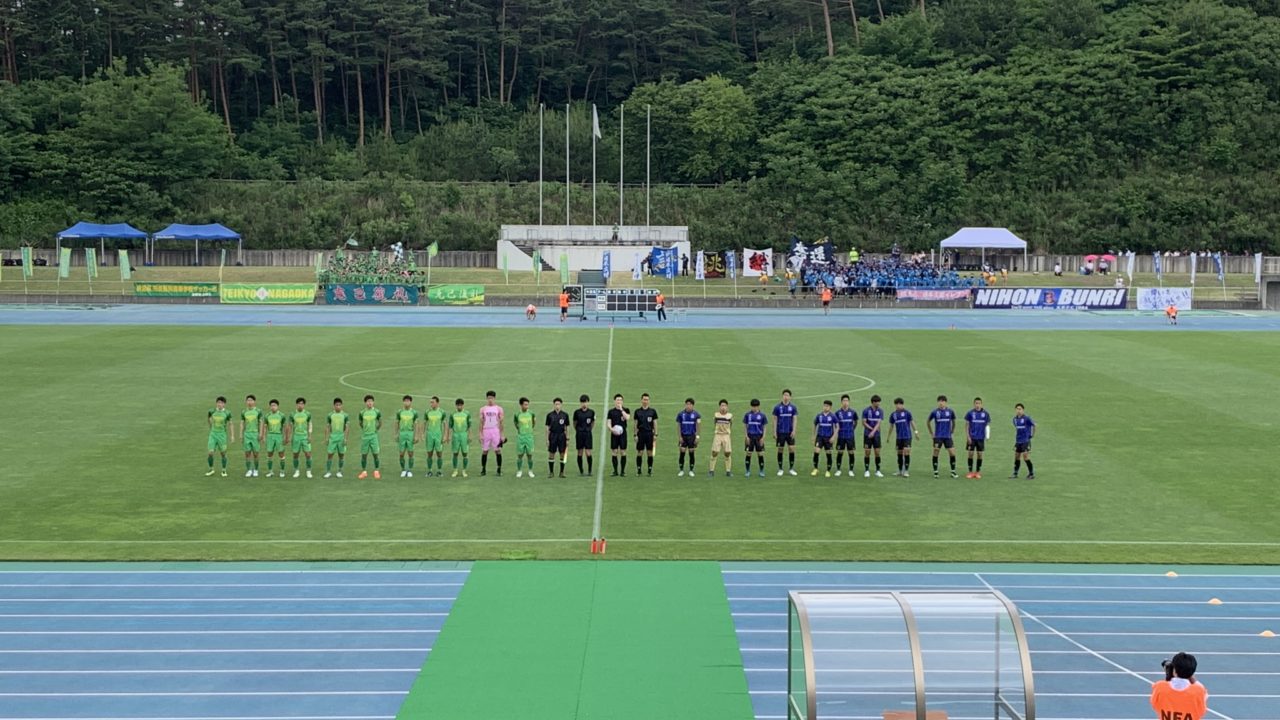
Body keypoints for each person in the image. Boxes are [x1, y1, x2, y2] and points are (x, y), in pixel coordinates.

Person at [1151, 652, 1207, 720]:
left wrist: (1169, 676)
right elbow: (1201, 710)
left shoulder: (1159, 687)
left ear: (1174, 671)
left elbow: (1155, 704)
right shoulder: (1199, 692)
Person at [928, 395, 958, 479]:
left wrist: (952, 432)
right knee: (936, 452)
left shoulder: (950, 411)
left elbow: (954, 422)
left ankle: (953, 471)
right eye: (939, 401)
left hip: (947, 436)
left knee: (952, 452)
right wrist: (931, 433)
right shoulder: (935, 412)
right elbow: (928, 421)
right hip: (938, 436)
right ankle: (936, 472)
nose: (941, 403)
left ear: (945, 402)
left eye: (942, 401)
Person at [889, 398, 918, 477]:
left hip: (907, 436)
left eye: (899, 404)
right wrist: (889, 436)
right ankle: (900, 470)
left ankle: (906, 471)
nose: (897, 406)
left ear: (902, 404)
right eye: (896, 404)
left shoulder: (907, 413)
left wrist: (916, 432)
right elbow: (891, 426)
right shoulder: (893, 415)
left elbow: (912, 422)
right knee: (899, 453)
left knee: (906, 452)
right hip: (899, 438)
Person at [772, 389, 798, 476]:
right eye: (784, 395)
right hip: (780, 432)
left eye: (787, 395)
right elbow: (775, 420)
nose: (786, 397)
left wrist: (794, 430)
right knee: (780, 449)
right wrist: (774, 431)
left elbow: (794, 419)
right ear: (782, 396)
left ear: (790, 397)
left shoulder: (793, 407)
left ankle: (791, 468)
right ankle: (780, 469)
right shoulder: (777, 407)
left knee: (791, 449)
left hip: (790, 432)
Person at [206, 396, 233, 477]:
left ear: (224, 404)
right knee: (210, 452)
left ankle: (224, 470)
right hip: (213, 434)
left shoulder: (227, 413)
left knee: (223, 453)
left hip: (222, 435)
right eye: (218, 402)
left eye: (221, 403)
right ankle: (211, 469)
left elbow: (231, 424)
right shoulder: (212, 411)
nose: (219, 404)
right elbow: (209, 418)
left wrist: (232, 436)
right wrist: (211, 427)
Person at [479, 390, 504, 476]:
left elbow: (501, 423)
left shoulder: (499, 409)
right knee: (485, 451)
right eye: (489, 398)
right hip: (486, 431)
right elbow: (481, 422)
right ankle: (483, 469)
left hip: (495, 431)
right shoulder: (483, 409)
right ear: (486, 398)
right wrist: (480, 434)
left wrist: (502, 435)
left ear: (494, 398)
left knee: (498, 451)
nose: (490, 400)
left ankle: (499, 469)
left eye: (492, 398)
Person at [357, 395, 383, 479]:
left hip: (373, 436)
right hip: (365, 436)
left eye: (371, 401)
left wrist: (376, 429)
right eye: (368, 401)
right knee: (364, 454)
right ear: (365, 403)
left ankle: (376, 471)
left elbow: (380, 421)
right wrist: (365, 429)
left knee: (375, 454)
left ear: (373, 402)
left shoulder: (377, 411)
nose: (370, 403)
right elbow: (360, 422)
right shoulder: (362, 412)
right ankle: (364, 471)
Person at [964, 397, 990, 479]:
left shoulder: (985, 414)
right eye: (976, 403)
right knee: (970, 454)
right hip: (972, 438)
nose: (977, 405)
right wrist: (968, 436)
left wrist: (987, 435)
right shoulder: (970, 413)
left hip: (980, 438)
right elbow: (967, 425)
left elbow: (987, 425)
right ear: (974, 404)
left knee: (979, 454)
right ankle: (970, 472)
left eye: (979, 403)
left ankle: (978, 472)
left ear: (981, 404)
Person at [633, 393, 658, 477]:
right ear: (641, 400)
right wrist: (635, 435)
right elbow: (635, 424)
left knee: (649, 452)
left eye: (647, 399)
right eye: (644, 399)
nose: (645, 401)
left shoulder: (652, 411)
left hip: (649, 434)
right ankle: (639, 470)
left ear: (649, 401)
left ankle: (649, 470)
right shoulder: (637, 411)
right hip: (640, 434)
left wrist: (655, 434)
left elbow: (655, 423)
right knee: (640, 452)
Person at [396, 395, 421, 478]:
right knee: (401, 453)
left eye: (408, 401)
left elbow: (416, 424)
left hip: (410, 433)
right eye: (405, 401)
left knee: (410, 453)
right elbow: (397, 423)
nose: (407, 402)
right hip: (402, 433)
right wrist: (396, 434)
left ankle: (409, 470)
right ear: (403, 402)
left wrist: (416, 435)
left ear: (410, 402)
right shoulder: (399, 412)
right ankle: (403, 470)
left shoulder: (414, 412)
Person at [289, 397, 314, 478]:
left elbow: (310, 425)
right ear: (296, 405)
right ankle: (296, 470)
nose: (300, 405)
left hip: (305, 436)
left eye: (302, 404)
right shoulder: (292, 414)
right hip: (296, 436)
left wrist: (310, 436)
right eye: (299, 403)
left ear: (304, 405)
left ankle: (309, 471)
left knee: (308, 454)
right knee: (295, 454)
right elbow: (290, 426)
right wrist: (290, 437)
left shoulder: (307, 414)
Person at [324, 398, 349, 478]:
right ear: (334, 406)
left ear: (342, 406)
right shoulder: (330, 415)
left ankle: (340, 471)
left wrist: (345, 438)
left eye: (339, 405)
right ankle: (328, 472)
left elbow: (347, 428)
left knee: (341, 455)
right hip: (332, 438)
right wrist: (326, 438)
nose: (338, 406)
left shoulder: (345, 415)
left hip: (341, 437)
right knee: (330, 454)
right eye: (336, 405)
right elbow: (327, 427)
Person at [606, 394, 631, 477]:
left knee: (623, 451)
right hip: (614, 434)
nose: (619, 401)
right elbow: (608, 423)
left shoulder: (626, 410)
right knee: (614, 452)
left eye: (620, 400)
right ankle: (615, 471)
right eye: (617, 400)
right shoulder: (611, 412)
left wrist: (621, 410)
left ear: (622, 401)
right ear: (614, 401)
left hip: (623, 434)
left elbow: (627, 418)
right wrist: (612, 430)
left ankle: (623, 471)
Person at [675, 398, 701, 476]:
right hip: (683, 436)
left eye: (690, 404)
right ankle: (681, 470)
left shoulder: (696, 414)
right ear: (685, 405)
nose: (688, 406)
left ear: (693, 405)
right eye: (687, 404)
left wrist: (697, 437)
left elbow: (698, 426)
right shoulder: (680, 414)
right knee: (682, 452)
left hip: (692, 436)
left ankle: (691, 470)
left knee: (691, 453)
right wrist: (679, 437)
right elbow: (679, 426)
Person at [422, 396, 447, 477]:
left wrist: (445, 435)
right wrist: (422, 433)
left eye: (432, 402)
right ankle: (429, 471)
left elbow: (445, 424)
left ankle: (439, 471)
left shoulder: (442, 412)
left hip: (438, 435)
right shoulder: (427, 412)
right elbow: (425, 423)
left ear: (437, 403)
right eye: (430, 402)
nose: (431, 404)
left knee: (439, 453)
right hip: (429, 435)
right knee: (429, 453)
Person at [545, 397, 570, 478]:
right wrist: (547, 439)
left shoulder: (565, 415)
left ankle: (562, 472)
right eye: (556, 404)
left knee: (562, 454)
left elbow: (567, 427)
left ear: (561, 405)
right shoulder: (550, 415)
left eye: (559, 404)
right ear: (554, 405)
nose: (557, 406)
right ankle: (551, 472)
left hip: (562, 436)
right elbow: (547, 428)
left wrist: (567, 438)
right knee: (551, 454)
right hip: (553, 436)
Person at [811, 400, 837, 477]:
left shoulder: (833, 416)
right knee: (816, 451)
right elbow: (814, 424)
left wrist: (834, 437)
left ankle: (828, 471)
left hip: (828, 438)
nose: (825, 407)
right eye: (824, 406)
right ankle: (815, 469)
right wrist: (813, 435)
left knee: (828, 453)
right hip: (820, 437)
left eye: (827, 406)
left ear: (830, 407)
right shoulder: (819, 416)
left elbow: (837, 427)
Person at [743, 399, 767, 477]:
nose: (754, 408)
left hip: (759, 437)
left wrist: (763, 437)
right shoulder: (747, 415)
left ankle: (761, 471)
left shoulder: (762, 415)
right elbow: (745, 426)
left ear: (758, 406)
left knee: (760, 454)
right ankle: (747, 471)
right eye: (753, 406)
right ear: (751, 406)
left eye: (756, 406)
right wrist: (746, 436)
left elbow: (764, 427)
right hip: (750, 436)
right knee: (748, 453)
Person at [240, 394, 263, 477]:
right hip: (247, 434)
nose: (249, 402)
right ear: (246, 402)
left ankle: (256, 470)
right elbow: (242, 423)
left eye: (251, 400)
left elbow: (261, 423)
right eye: (248, 400)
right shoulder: (244, 412)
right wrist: (241, 435)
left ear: (254, 402)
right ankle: (249, 470)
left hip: (255, 434)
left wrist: (260, 434)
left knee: (256, 453)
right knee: (247, 453)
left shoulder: (258, 411)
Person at [834, 394, 857, 476]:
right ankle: (838, 469)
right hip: (841, 436)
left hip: (850, 436)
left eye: (847, 401)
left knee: (851, 452)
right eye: (844, 401)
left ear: (849, 402)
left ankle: (851, 470)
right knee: (840, 452)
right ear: (841, 402)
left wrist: (851, 429)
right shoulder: (837, 413)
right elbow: (835, 424)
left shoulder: (853, 412)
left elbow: (855, 422)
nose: (845, 402)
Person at [1010, 403, 1036, 479]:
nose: (1018, 410)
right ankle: (1015, 473)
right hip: (1018, 441)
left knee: (1025, 457)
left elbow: (1034, 425)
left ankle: (1031, 474)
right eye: (1017, 409)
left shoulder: (1027, 418)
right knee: (1017, 457)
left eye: (1020, 409)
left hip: (1026, 440)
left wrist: (1032, 435)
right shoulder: (1014, 419)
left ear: (1023, 410)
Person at [513, 397, 537, 478]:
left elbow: (534, 422)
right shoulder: (517, 414)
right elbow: (515, 423)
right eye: (525, 405)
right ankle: (519, 471)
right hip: (521, 437)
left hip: (529, 436)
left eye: (527, 404)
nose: (527, 406)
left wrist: (529, 429)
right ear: (521, 405)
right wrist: (520, 430)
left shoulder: (531, 413)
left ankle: (530, 471)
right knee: (520, 455)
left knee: (530, 455)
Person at [447, 398, 471, 477]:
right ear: (456, 406)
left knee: (465, 453)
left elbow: (469, 426)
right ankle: (455, 470)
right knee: (455, 453)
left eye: (460, 405)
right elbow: (450, 426)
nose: (459, 407)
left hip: (464, 435)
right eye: (458, 405)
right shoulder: (453, 414)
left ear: (463, 405)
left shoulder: (467, 414)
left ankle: (464, 470)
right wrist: (449, 436)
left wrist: (469, 435)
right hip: (455, 435)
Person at [862, 395, 884, 477]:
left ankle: (878, 470)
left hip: (876, 435)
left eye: (879, 402)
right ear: (873, 402)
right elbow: (864, 422)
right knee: (867, 452)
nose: (879, 403)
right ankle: (867, 470)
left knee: (877, 452)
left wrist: (873, 432)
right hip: (867, 435)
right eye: (877, 402)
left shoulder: (880, 411)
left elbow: (879, 423)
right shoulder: (866, 411)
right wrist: (871, 430)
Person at [573, 394, 595, 476]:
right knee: (580, 452)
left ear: (588, 402)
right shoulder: (577, 412)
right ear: (580, 403)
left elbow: (593, 423)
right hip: (579, 434)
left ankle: (589, 470)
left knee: (588, 452)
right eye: (582, 402)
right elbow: (574, 423)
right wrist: (578, 430)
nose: (584, 404)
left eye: (585, 402)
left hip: (588, 434)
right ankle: (581, 471)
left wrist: (589, 429)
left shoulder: (591, 412)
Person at [709, 399, 733, 477]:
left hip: (726, 435)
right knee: (714, 452)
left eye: (725, 406)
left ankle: (728, 471)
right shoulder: (716, 415)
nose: (723, 407)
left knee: (727, 453)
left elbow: (731, 424)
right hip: (718, 435)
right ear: (719, 407)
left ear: (727, 407)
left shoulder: (730, 415)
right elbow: (715, 423)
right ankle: (711, 470)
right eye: (722, 405)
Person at [263, 399, 286, 477]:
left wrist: (285, 436)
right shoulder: (267, 416)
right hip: (270, 436)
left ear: (278, 406)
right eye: (271, 405)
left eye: (274, 405)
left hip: (279, 436)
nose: (273, 407)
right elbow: (265, 427)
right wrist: (263, 436)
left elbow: (284, 426)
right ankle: (270, 471)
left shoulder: (282, 415)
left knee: (281, 453)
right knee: (269, 453)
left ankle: (282, 471)